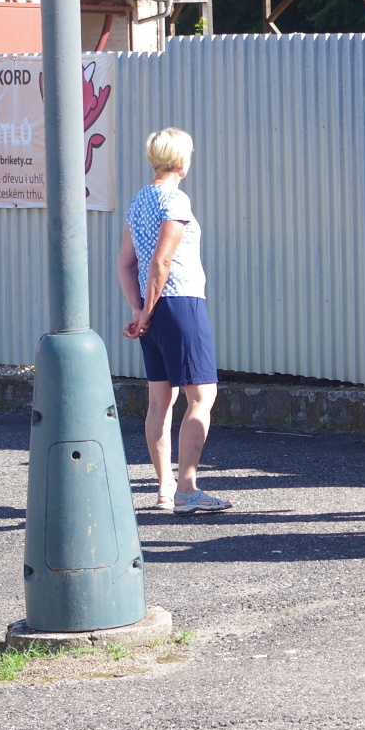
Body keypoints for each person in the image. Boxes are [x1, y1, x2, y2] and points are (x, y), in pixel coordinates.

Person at [116, 127, 230, 515]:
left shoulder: (139, 200)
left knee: (159, 400)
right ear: (181, 160)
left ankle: (165, 488)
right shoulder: (176, 198)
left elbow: (125, 262)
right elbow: (161, 261)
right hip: (181, 303)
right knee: (202, 396)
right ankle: (187, 489)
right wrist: (147, 310)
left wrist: (138, 310)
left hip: (152, 308)